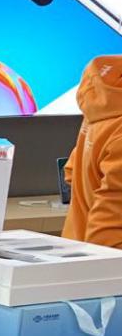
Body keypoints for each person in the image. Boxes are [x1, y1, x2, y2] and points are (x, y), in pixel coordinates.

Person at [63, 55, 122, 248]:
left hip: (77, 249)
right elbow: (109, 237)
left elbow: (71, 172)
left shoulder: (108, 103)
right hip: (103, 260)